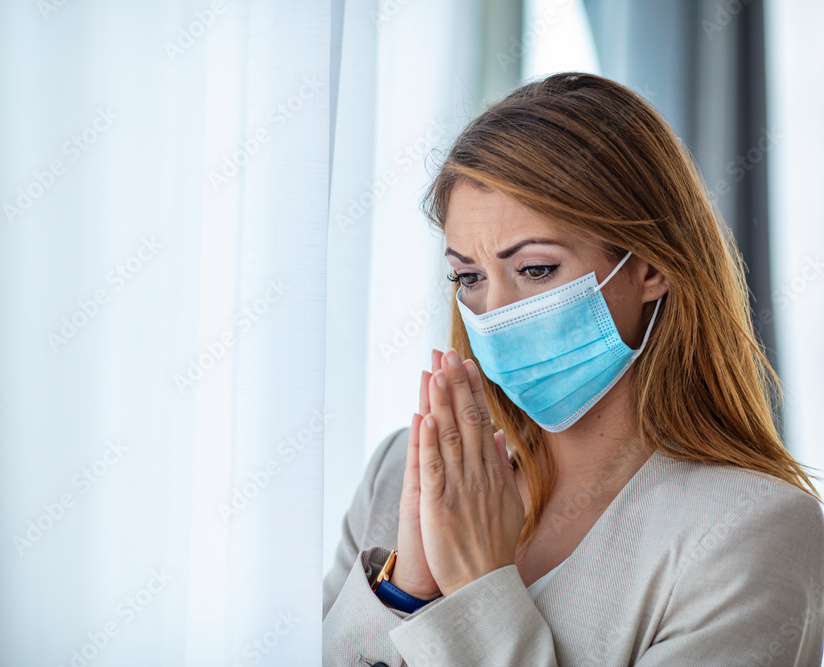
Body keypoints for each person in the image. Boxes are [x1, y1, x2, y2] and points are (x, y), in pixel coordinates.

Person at [322, 71, 824, 666]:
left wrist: (478, 591)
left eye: (535, 269)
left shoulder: (751, 532)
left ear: (650, 268)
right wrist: (409, 590)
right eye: (470, 277)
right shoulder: (398, 477)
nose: (496, 313)